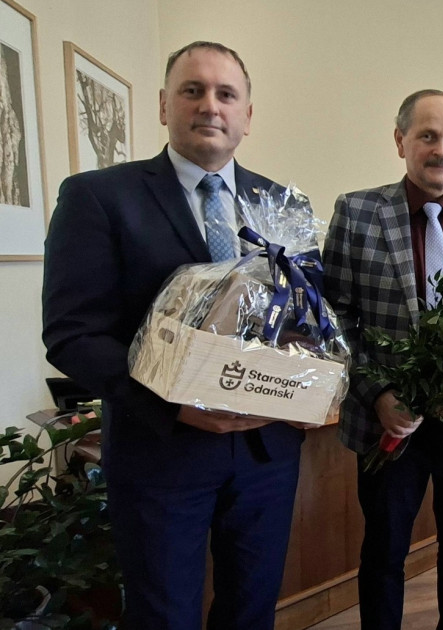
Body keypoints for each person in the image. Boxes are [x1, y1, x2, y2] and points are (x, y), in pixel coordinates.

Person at [42, 42, 302, 628]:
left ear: (247, 116)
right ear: (164, 105)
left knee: (252, 612)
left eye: (226, 94)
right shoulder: (98, 197)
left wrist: (310, 386)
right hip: (158, 451)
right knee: (165, 617)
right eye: (193, 90)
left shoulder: (282, 204)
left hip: (267, 453)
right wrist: (173, 403)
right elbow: (71, 335)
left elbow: (307, 319)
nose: (210, 105)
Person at [321, 89, 443, 630]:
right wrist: (378, 395)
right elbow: (334, 318)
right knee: (384, 550)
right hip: (388, 424)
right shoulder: (357, 212)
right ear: (400, 140)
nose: (441, 150)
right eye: (427, 136)